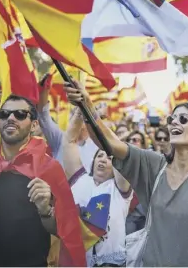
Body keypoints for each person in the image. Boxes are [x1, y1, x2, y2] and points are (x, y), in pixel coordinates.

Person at [63, 80, 188, 267]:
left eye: (183, 119)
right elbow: (109, 142)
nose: (173, 123)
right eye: (171, 119)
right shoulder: (154, 165)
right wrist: (87, 105)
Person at [0, 94, 86, 266]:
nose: (11, 118)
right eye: (4, 114)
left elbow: (64, 231)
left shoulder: (49, 168)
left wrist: (45, 210)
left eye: (20, 114)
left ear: (34, 125)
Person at [62, 108, 132, 267]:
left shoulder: (119, 189)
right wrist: (81, 112)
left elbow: (120, 153)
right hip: (74, 261)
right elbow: (69, 141)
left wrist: (92, 112)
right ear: (92, 161)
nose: (103, 160)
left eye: (108, 158)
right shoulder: (79, 178)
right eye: (99, 155)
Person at [37, 74, 99, 171]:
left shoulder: (98, 147)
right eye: (73, 113)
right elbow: (43, 116)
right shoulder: (60, 139)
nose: (76, 116)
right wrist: (44, 91)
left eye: (81, 113)